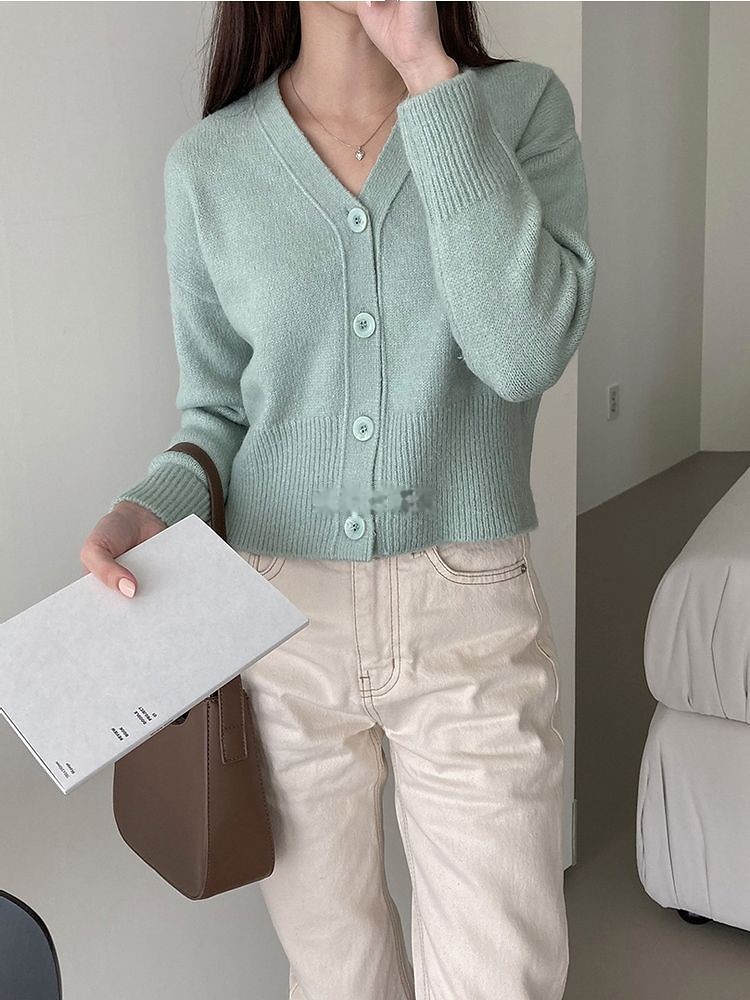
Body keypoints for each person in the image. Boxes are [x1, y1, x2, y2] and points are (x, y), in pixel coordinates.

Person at [81, 2, 597, 997]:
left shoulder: (517, 109)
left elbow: (523, 351)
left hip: (467, 611)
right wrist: (152, 507)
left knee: (505, 973)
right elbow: (218, 413)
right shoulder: (210, 166)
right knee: (337, 974)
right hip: (280, 621)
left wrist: (426, 70)